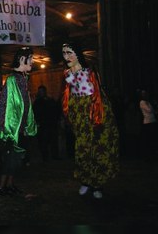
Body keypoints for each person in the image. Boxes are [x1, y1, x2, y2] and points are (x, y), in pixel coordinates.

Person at [61, 41, 119, 199]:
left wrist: (99, 118)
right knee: (82, 151)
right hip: (79, 117)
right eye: (64, 53)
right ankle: (85, 181)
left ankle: (97, 184)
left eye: (69, 52)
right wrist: (70, 117)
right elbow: (69, 97)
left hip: (95, 114)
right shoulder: (67, 74)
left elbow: (98, 97)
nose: (66, 56)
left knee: (98, 150)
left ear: (77, 54)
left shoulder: (90, 72)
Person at [0, 47, 38, 197]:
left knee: (16, 159)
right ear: (21, 60)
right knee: (9, 159)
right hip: (10, 130)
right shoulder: (13, 80)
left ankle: (10, 185)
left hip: (19, 129)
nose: (32, 61)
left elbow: (24, 106)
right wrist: (4, 129)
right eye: (30, 58)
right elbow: (2, 104)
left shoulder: (23, 79)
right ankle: (1, 187)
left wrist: (26, 124)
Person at [33, 85, 61, 162]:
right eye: (40, 91)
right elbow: (35, 113)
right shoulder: (37, 102)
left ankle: (55, 155)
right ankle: (45, 157)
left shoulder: (50, 100)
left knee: (53, 141)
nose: (41, 93)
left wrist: (57, 120)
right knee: (43, 142)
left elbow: (56, 110)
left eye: (42, 91)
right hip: (43, 125)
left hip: (51, 124)